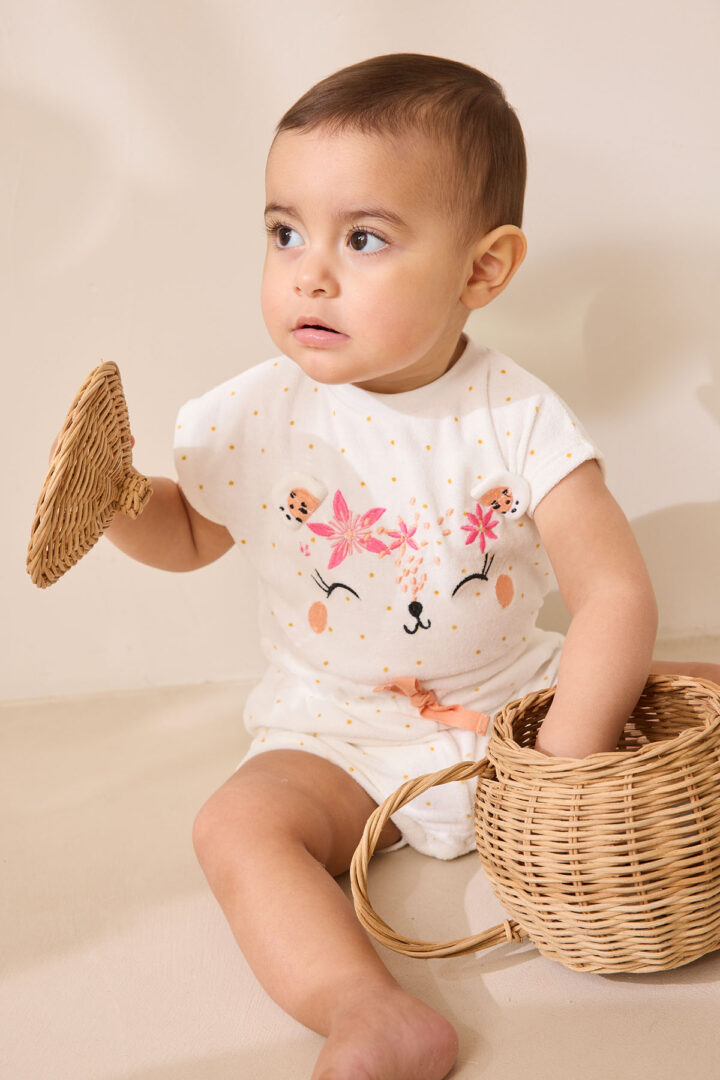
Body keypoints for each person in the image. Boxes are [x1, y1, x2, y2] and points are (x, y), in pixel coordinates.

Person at [103, 54, 719, 1080]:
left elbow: (613, 593)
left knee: (688, 695)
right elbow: (192, 535)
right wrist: (120, 505)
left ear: (482, 271)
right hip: (335, 732)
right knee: (236, 828)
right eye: (284, 232)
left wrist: (562, 757)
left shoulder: (517, 418)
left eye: (363, 238)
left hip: (520, 707)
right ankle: (368, 1010)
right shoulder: (257, 412)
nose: (309, 273)